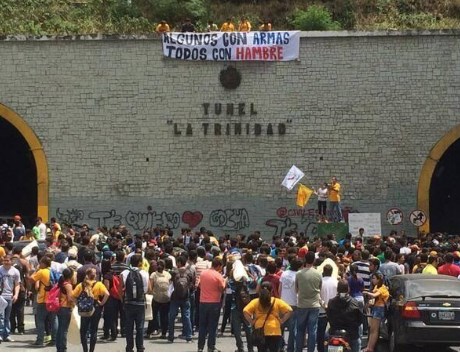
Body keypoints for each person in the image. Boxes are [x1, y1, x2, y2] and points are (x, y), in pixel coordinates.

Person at [243, 281, 293, 352]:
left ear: (260, 290)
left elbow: (245, 311)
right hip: (274, 330)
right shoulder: (276, 301)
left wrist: (252, 322)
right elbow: (290, 310)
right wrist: (282, 320)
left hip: (260, 330)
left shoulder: (256, 301)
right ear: (272, 291)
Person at [72, 267, 109, 352]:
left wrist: (78, 303)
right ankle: (92, 350)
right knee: (94, 330)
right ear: (95, 275)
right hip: (95, 307)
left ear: (87, 275)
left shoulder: (81, 285)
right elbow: (107, 294)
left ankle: (85, 349)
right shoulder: (99, 284)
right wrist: (102, 303)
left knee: (83, 330)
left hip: (84, 309)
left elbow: (72, 296)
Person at [121, 254, 149, 352]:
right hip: (140, 303)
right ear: (140, 263)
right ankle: (140, 347)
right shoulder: (145, 273)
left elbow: (121, 289)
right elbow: (147, 289)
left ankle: (129, 347)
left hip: (128, 302)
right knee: (140, 326)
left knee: (129, 326)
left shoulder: (124, 273)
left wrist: (122, 300)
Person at [295, 251, 322, 352]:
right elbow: (320, 288)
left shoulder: (298, 274)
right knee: (312, 330)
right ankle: (311, 350)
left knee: (300, 330)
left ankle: (298, 350)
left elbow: (296, 289)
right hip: (314, 305)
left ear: (305, 260)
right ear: (314, 260)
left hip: (302, 304)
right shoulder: (318, 274)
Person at [326, 280, 364, 352]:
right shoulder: (355, 303)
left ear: (337, 289)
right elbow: (360, 320)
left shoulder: (331, 302)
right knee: (357, 342)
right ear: (348, 289)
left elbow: (328, 317)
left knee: (325, 339)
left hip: (334, 332)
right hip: (351, 334)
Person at [197, 258, 225, 352]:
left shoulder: (203, 273)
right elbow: (222, 288)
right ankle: (211, 346)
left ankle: (200, 347)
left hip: (203, 302)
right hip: (214, 303)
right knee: (213, 326)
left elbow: (200, 285)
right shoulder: (218, 276)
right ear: (218, 266)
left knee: (202, 325)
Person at [29, 255, 58, 347]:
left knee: (40, 320)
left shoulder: (41, 271)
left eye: (40, 262)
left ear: (43, 263)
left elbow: (31, 279)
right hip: (53, 299)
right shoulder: (53, 271)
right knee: (54, 320)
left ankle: (40, 340)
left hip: (43, 300)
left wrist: (36, 270)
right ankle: (54, 340)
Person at [279, 257, 302, 352]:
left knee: (281, 327)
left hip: (282, 303)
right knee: (292, 329)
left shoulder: (284, 273)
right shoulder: (299, 275)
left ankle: (280, 347)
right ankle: (290, 349)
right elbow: (299, 290)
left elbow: (280, 288)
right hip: (294, 304)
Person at [362, 272, 389, 352]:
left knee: (375, 330)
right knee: (372, 329)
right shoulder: (377, 286)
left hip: (379, 309)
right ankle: (369, 347)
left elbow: (375, 295)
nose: (372, 280)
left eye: (374, 278)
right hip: (375, 308)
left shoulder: (382, 288)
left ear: (379, 279)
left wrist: (366, 292)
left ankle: (370, 348)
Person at [147, 259, 171, 339]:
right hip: (166, 298)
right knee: (164, 316)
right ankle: (164, 333)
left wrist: (150, 293)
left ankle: (149, 332)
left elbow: (150, 287)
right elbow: (171, 287)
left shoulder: (153, 274)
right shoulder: (168, 274)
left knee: (152, 316)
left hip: (156, 297)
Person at [317, 264, 338, 352]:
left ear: (323, 272)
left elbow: (317, 296)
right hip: (334, 311)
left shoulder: (320, 282)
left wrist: (324, 305)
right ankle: (334, 349)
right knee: (334, 332)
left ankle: (321, 350)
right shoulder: (336, 282)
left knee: (320, 333)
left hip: (322, 311)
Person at [0, 255, 20, 343]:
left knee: (7, 317)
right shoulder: (0, 269)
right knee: (1, 316)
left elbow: (17, 284)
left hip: (9, 296)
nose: (6, 262)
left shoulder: (15, 271)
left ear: (11, 261)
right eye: (4, 260)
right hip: (1, 296)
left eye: (8, 260)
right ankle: (0, 335)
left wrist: (16, 294)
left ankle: (6, 335)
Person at [56, 268, 75, 352]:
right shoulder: (68, 285)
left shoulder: (60, 283)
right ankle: (63, 348)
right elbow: (70, 298)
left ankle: (59, 347)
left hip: (59, 307)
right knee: (64, 330)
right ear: (70, 276)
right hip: (66, 307)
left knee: (60, 328)